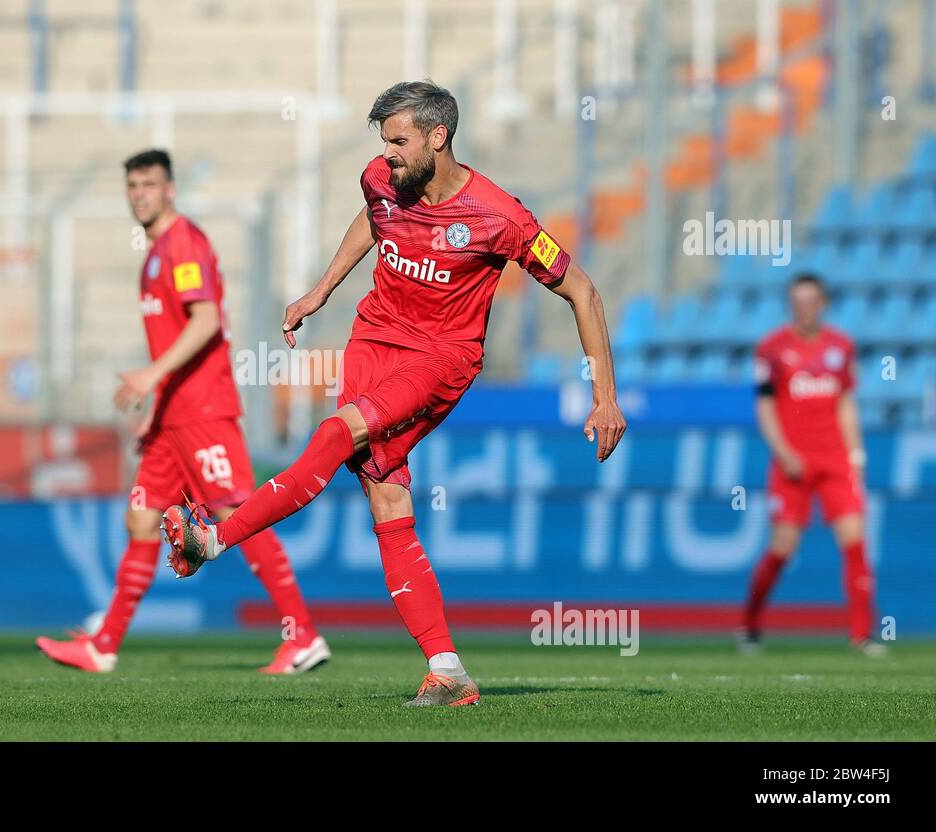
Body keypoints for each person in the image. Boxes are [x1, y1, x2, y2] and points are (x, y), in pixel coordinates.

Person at [161, 81, 626, 706]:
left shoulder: (499, 216)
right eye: (385, 142)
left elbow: (583, 292)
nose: (390, 155)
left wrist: (604, 395)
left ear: (439, 137)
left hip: (440, 359)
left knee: (334, 434)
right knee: (388, 506)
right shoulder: (383, 178)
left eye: (401, 141)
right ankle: (447, 671)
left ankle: (213, 539)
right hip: (373, 339)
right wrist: (321, 290)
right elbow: (373, 217)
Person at [36, 149, 328, 674]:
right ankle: (104, 647)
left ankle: (302, 636)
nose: (140, 194)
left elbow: (206, 320)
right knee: (141, 518)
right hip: (173, 415)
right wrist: (157, 403)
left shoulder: (182, 244)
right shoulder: (153, 255)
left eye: (149, 184)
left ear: (170, 189)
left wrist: (151, 376)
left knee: (239, 518)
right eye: (132, 185)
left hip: (204, 409)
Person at [742, 272, 883, 656]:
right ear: (791, 305)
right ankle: (751, 622)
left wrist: (856, 455)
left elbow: (845, 404)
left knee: (854, 541)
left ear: (823, 304)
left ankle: (862, 633)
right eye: (797, 302)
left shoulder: (841, 347)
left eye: (811, 301)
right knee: (783, 546)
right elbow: (765, 405)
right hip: (792, 462)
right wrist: (783, 451)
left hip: (836, 459)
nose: (804, 308)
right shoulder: (771, 349)